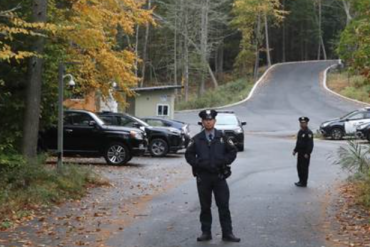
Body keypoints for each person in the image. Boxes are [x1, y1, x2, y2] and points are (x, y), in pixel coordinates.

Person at [185, 109, 240, 242]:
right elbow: (188, 155)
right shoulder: (197, 139)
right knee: (205, 207)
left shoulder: (222, 137)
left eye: (210, 120)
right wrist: (198, 164)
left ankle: (227, 233)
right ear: (202, 122)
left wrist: (224, 161)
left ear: (214, 121)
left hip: (219, 177)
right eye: (206, 120)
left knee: (224, 206)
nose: (208, 122)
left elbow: (232, 151)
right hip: (203, 178)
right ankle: (206, 232)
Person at [293, 117, 314, 187]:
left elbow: (310, 144)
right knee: (299, 167)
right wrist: (295, 150)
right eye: (301, 123)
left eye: (304, 123)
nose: (302, 124)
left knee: (304, 168)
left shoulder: (308, 133)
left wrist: (307, 153)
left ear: (307, 123)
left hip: (305, 153)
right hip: (300, 152)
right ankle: (300, 180)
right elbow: (298, 142)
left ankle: (304, 182)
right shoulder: (300, 131)